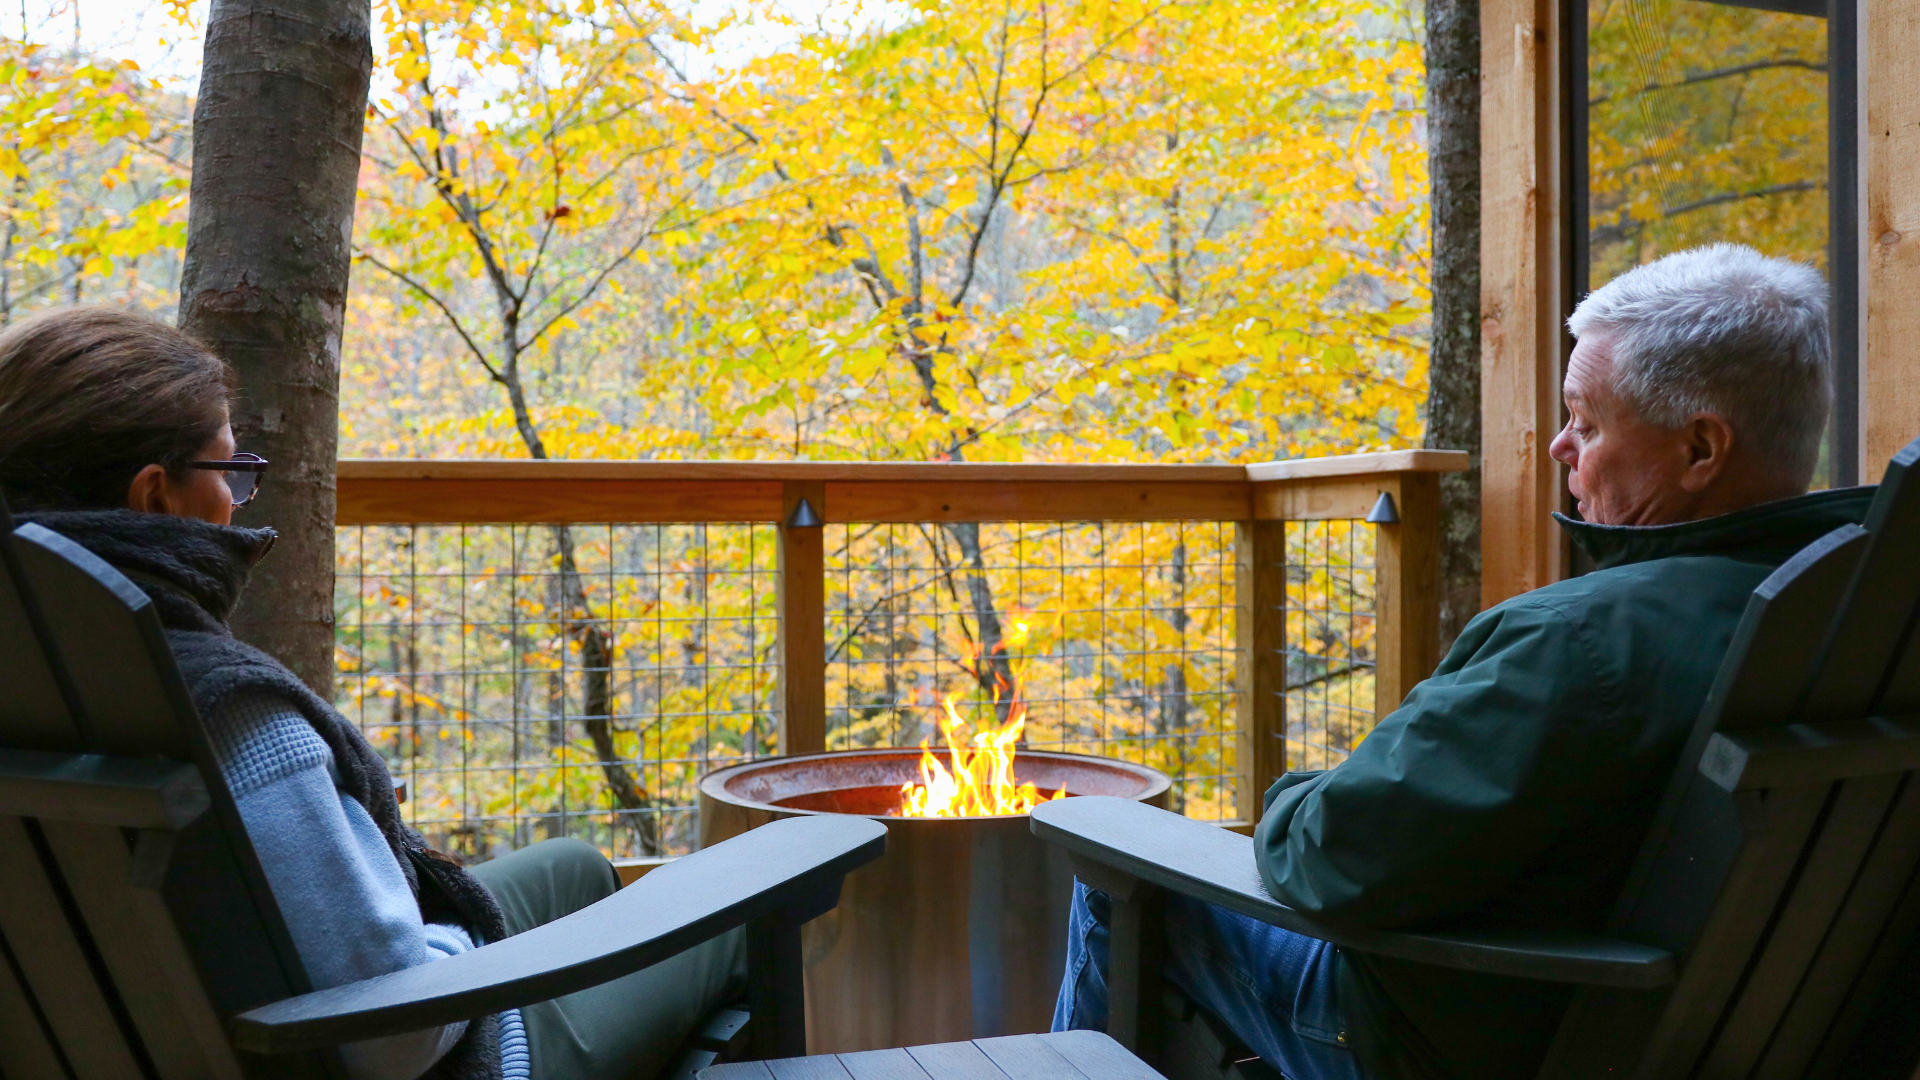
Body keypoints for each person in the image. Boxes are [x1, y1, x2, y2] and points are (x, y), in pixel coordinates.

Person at [1052, 243, 1856, 1080]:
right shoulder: (1856, 616)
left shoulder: (1586, 641)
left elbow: (1336, 854)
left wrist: (1292, 795)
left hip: (1465, 1039)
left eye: (1586, 420)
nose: (1557, 448)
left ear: (1700, 450)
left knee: (1119, 874)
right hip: (1738, 1038)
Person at [0, 306, 743, 1080]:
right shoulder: (229, 712)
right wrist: (465, 946)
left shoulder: (48, 675)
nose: (239, 499)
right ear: (155, 498)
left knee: (577, 869)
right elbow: (396, 1036)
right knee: (730, 912)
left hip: (173, 1030)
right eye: (232, 472)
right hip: (441, 1056)